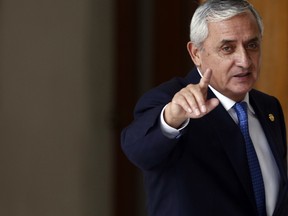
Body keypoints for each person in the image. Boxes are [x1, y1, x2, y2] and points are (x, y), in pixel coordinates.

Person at [121, 0, 288, 215]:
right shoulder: (170, 101)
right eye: (227, 48)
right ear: (196, 53)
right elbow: (138, 150)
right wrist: (171, 120)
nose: (245, 61)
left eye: (252, 45)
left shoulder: (269, 107)